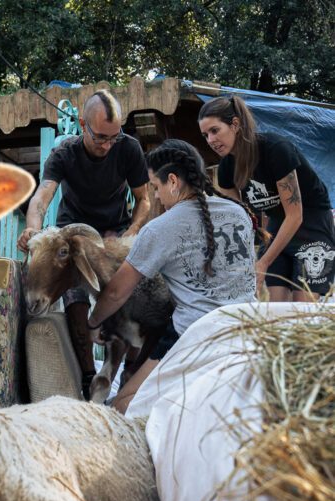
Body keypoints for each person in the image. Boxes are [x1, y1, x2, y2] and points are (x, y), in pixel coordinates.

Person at [87, 139, 267, 414]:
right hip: (248, 329)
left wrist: (95, 321)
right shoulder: (238, 212)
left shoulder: (158, 229)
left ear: (173, 181)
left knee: (124, 406)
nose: (156, 196)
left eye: (156, 187)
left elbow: (116, 292)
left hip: (195, 335)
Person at [18, 89, 150, 398]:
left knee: (129, 301)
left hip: (114, 234)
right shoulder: (64, 153)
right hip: (73, 233)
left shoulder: (128, 149)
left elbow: (144, 199)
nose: (107, 145)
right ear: (82, 124)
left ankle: (125, 381)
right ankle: (88, 378)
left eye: (113, 138)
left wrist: (131, 232)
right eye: (100, 137)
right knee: (76, 303)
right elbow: (42, 196)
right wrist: (33, 231)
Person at [198, 95, 335, 301]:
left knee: (301, 309)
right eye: (205, 135)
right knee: (273, 305)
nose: (210, 140)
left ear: (235, 124)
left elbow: (295, 215)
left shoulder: (275, 149)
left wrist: (263, 262)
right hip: (277, 228)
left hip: (312, 225)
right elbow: (236, 219)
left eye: (215, 130)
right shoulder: (227, 167)